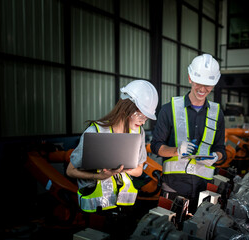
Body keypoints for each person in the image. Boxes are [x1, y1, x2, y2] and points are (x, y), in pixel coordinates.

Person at [66, 79, 158, 214]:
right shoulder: (95, 132)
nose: (143, 122)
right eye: (140, 115)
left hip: (124, 205)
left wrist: (120, 169)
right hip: (97, 209)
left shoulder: (138, 132)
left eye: (146, 118)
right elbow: (70, 171)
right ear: (126, 108)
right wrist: (99, 176)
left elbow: (138, 170)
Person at [150, 53, 226, 214]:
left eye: (208, 85)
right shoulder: (169, 109)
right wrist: (176, 150)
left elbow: (221, 149)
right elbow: (156, 146)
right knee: (168, 230)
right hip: (173, 186)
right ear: (190, 78)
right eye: (199, 83)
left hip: (204, 188)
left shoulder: (217, 113)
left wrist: (216, 157)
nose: (203, 89)